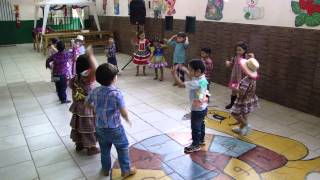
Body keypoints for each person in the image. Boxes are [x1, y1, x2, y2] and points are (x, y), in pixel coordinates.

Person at [85, 63, 137, 177]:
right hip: (115, 128)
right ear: (114, 79)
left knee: (104, 150)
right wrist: (127, 119)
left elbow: (87, 103)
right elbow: (123, 112)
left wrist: (95, 109)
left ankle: (105, 169)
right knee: (122, 148)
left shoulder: (95, 91)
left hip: (100, 127)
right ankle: (126, 170)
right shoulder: (116, 93)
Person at [172, 59, 210, 153]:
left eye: (190, 70)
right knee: (201, 124)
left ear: (198, 71)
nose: (189, 72)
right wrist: (185, 70)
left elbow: (180, 84)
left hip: (196, 109)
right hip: (203, 107)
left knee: (195, 127)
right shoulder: (202, 79)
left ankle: (195, 145)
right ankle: (201, 139)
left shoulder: (196, 83)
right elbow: (193, 76)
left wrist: (174, 74)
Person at [69, 46, 100, 156]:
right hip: (87, 108)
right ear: (88, 67)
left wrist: (76, 104)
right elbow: (97, 69)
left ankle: (80, 143)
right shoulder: (87, 78)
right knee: (89, 127)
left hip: (78, 107)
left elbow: (73, 94)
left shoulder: (74, 79)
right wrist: (91, 56)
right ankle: (91, 147)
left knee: (79, 125)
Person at [230, 58, 259, 136]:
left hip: (242, 100)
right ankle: (242, 129)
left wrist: (235, 88)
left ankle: (246, 125)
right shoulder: (253, 80)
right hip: (249, 99)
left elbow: (242, 93)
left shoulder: (246, 81)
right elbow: (253, 89)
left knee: (234, 114)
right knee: (244, 114)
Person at [225, 41, 248, 109]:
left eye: (240, 50)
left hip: (243, 78)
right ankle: (232, 104)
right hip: (235, 77)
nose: (238, 52)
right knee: (234, 91)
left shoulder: (247, 57)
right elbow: (230, 64)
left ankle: (241, 106)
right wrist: (228, 63)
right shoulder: (235, 57)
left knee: (242, 93)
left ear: (245, 50)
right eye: (237, 50)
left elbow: (252, 65)